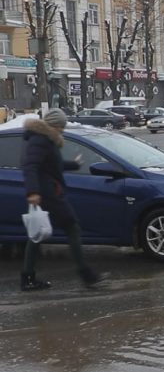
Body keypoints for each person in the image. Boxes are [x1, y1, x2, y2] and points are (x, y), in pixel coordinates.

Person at [20, 109, 106, 291]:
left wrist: (74, 164)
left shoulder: (44, 139)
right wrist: (33, 192)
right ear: (53, 125)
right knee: (71, 227)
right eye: (61, 126)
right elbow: (30, 166)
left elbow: (51, 164)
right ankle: (86, 274)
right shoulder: (40, 140)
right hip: (48, 194)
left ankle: (27, 278)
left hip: (47, 193)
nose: (63, 130)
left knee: (36, 234)